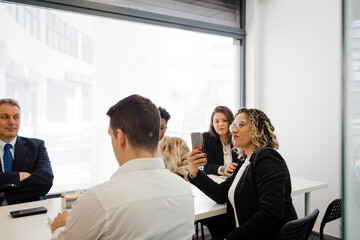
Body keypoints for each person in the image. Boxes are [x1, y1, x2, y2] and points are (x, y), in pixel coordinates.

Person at [51, 94, 195, 240]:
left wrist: (59, 228)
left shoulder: (98, 200)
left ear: (120, 137)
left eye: (110, 136)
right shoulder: (184, 191)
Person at [188, 108, 298, 240]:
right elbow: (221, 193)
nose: (233, 130)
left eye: (240, 125)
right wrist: (195, 173)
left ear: (257, 129)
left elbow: (270, 214)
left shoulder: (267, 158)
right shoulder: (245, 160)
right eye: (233, 125)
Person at [0, 98, 53, 205]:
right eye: (5, 117)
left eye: (16, 117)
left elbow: (45, 181)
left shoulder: (37, 146)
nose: (12, 122)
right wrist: (19, 176)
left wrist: (5, 193)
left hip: (28, 210)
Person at [203, 106, 239, 176]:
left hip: (235, 178)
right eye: (217, 121)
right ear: (212, 124)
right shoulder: (206, 138)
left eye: (224, 120)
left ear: (231, 122)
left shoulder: (238, 137)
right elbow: (207, 166)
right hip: (215, 177)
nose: (220, 124)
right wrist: (223, 169)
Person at [158, 106, 190, 181]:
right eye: (154, 127)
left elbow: (189, 167)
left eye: (161, 128)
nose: (157, 131)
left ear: (166, 128)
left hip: (176, 186)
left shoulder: (178, 144)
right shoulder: (140, 147)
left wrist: (174, 176)